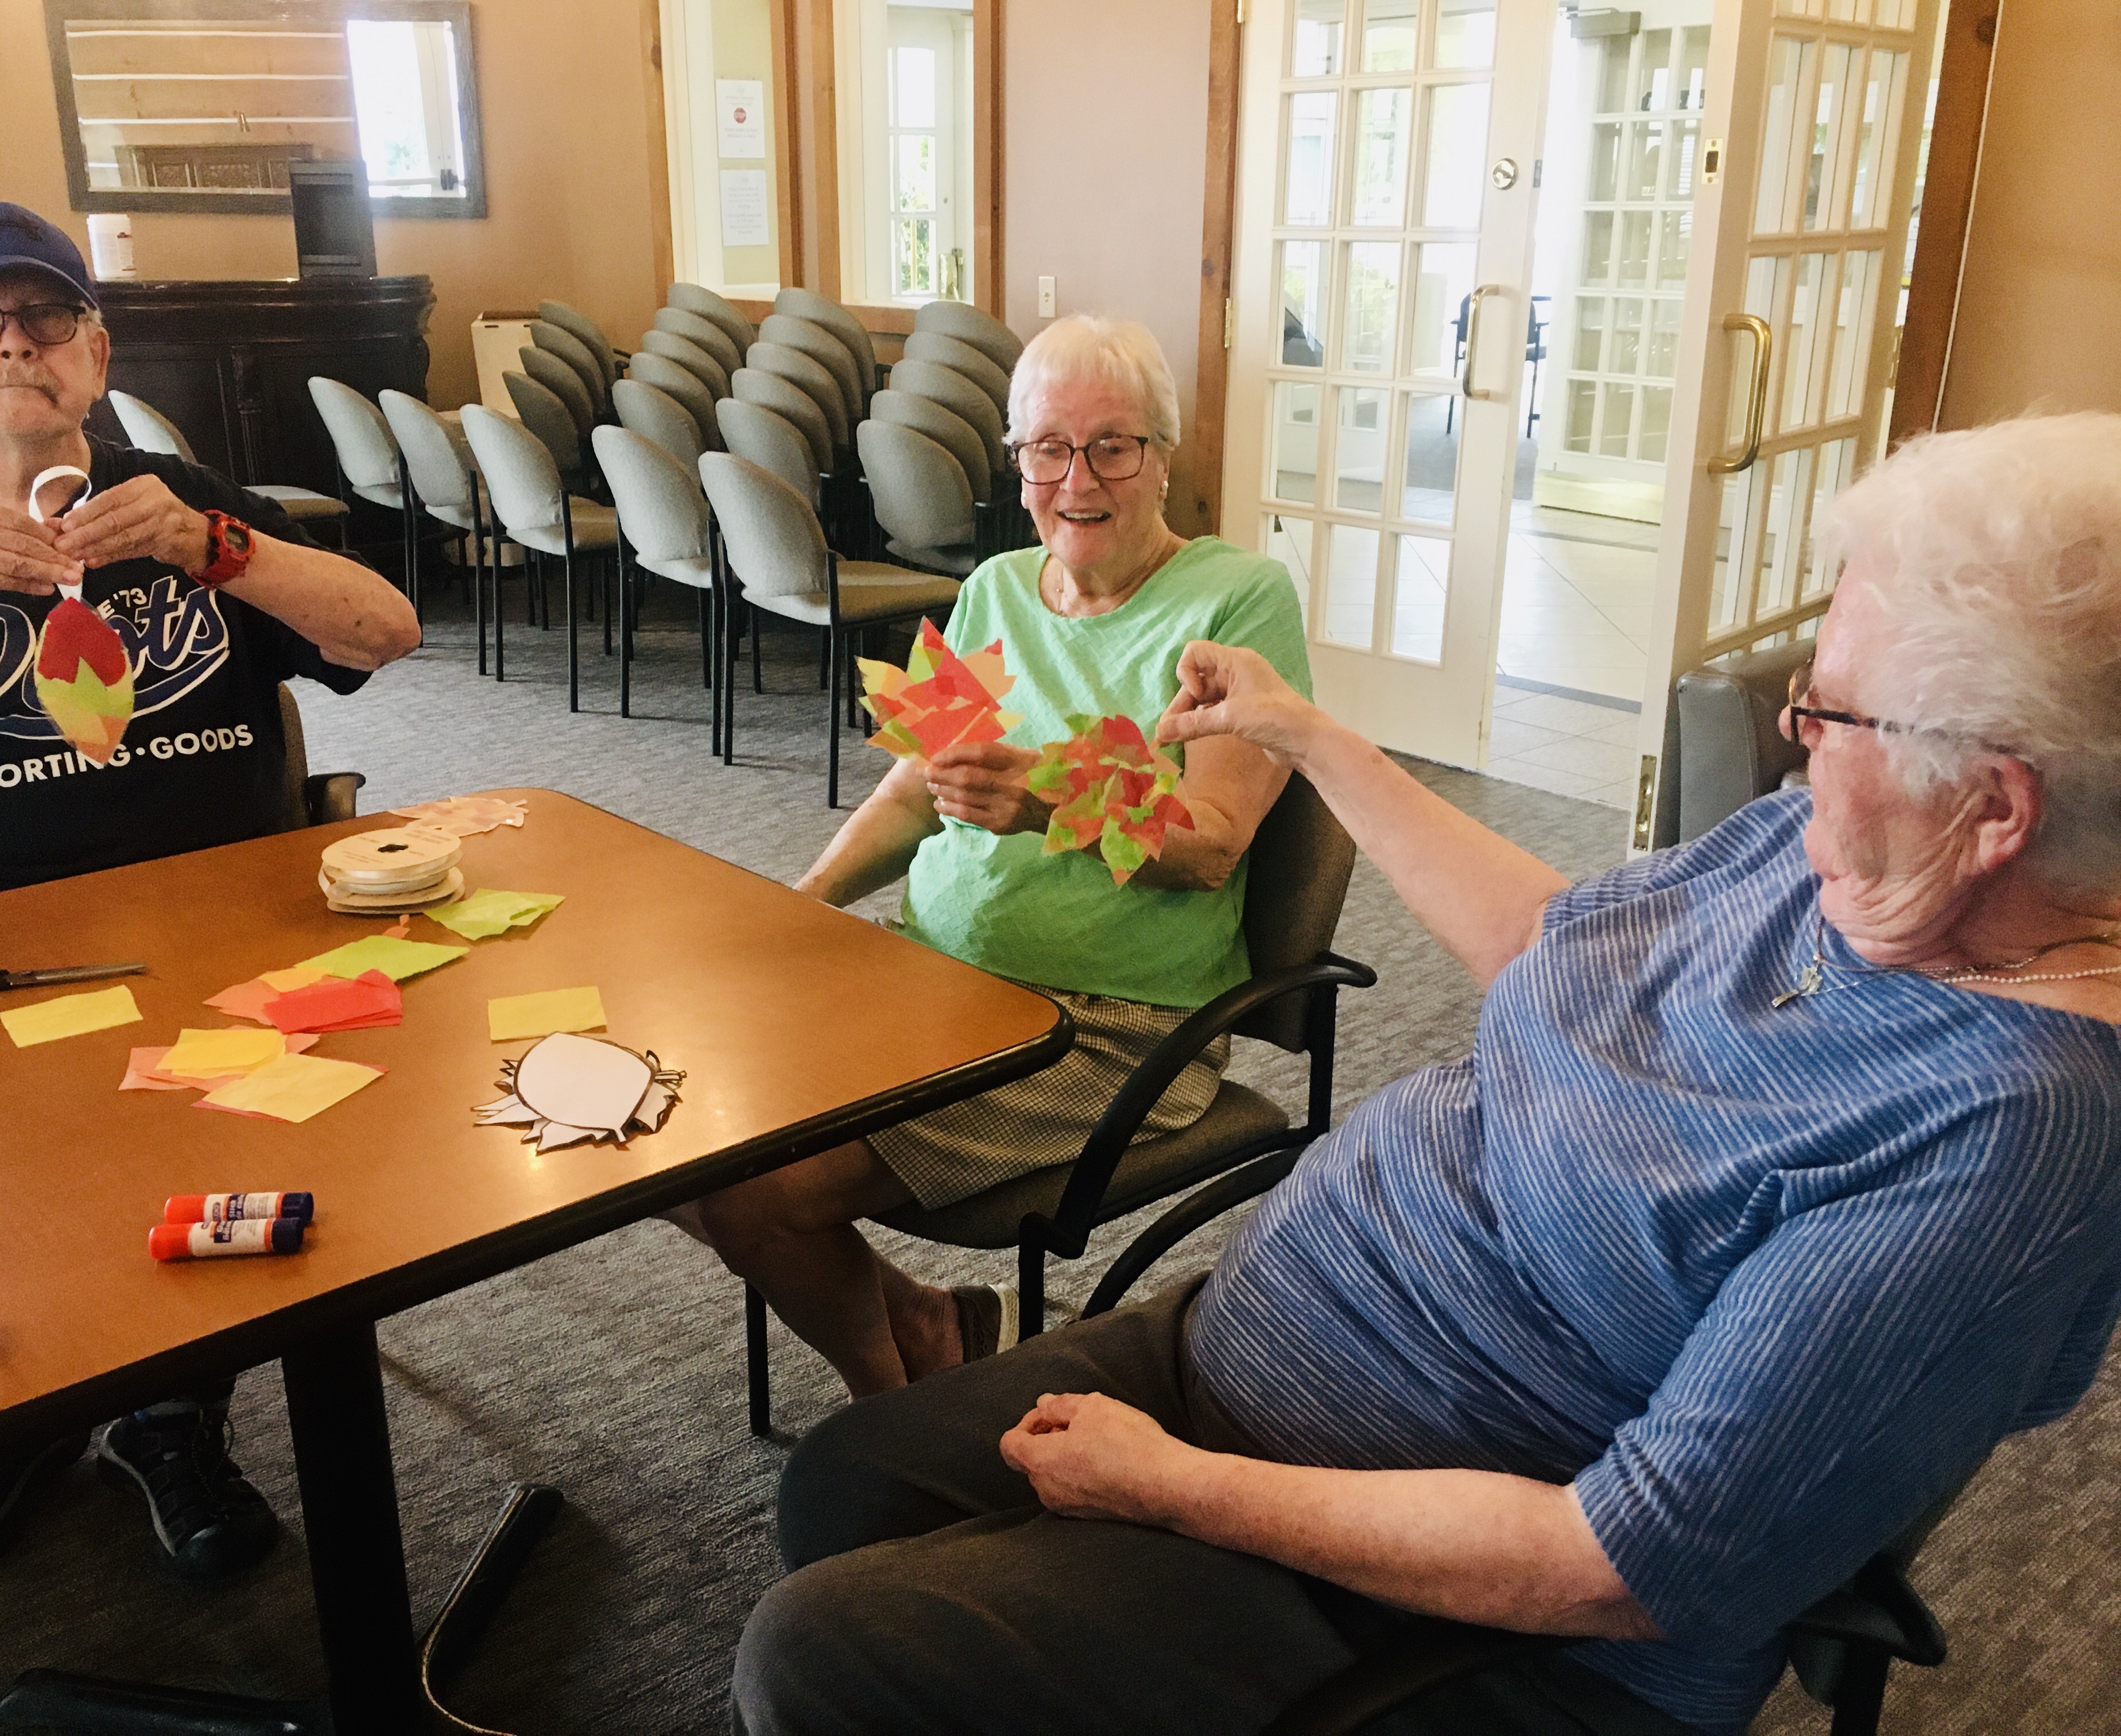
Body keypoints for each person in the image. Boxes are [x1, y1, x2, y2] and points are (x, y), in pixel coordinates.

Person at [728, 410, 2121, 1736]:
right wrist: (1306, 735)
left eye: (1831, 713)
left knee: (824, 1655)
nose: (1793, 740)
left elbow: (1615, 1567)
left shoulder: (2007, 1139)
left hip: (1468, 1613)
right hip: (1286, 1348)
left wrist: (1180, 1491)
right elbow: (1557, 947)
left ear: (1996, 808)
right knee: (853, 1488)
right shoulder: (1827, 860)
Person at [0, 203, 421, 1591]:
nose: (12, 347)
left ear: (96, 351)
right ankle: (11, 1419)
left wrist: (225, 550)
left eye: (45, 320)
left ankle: (166, 1417)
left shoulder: (181, 499)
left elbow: (390, 630)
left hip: (207, 939)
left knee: (204, 1175)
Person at [675, 315, 1309, 1397]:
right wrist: (812, 899)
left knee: (754, 1185)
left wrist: (1045, 798)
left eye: (1113, 445)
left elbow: (1212, 846)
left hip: (1106, 1025)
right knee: (670, 1114)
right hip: (928, 978)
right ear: (1016, 465)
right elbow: (916, 783)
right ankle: (926, 1328)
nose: (1079, 479)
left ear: (1163, 458)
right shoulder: (995, 591)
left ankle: (897, 1404)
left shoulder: (1238, 604)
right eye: (1047, 450)